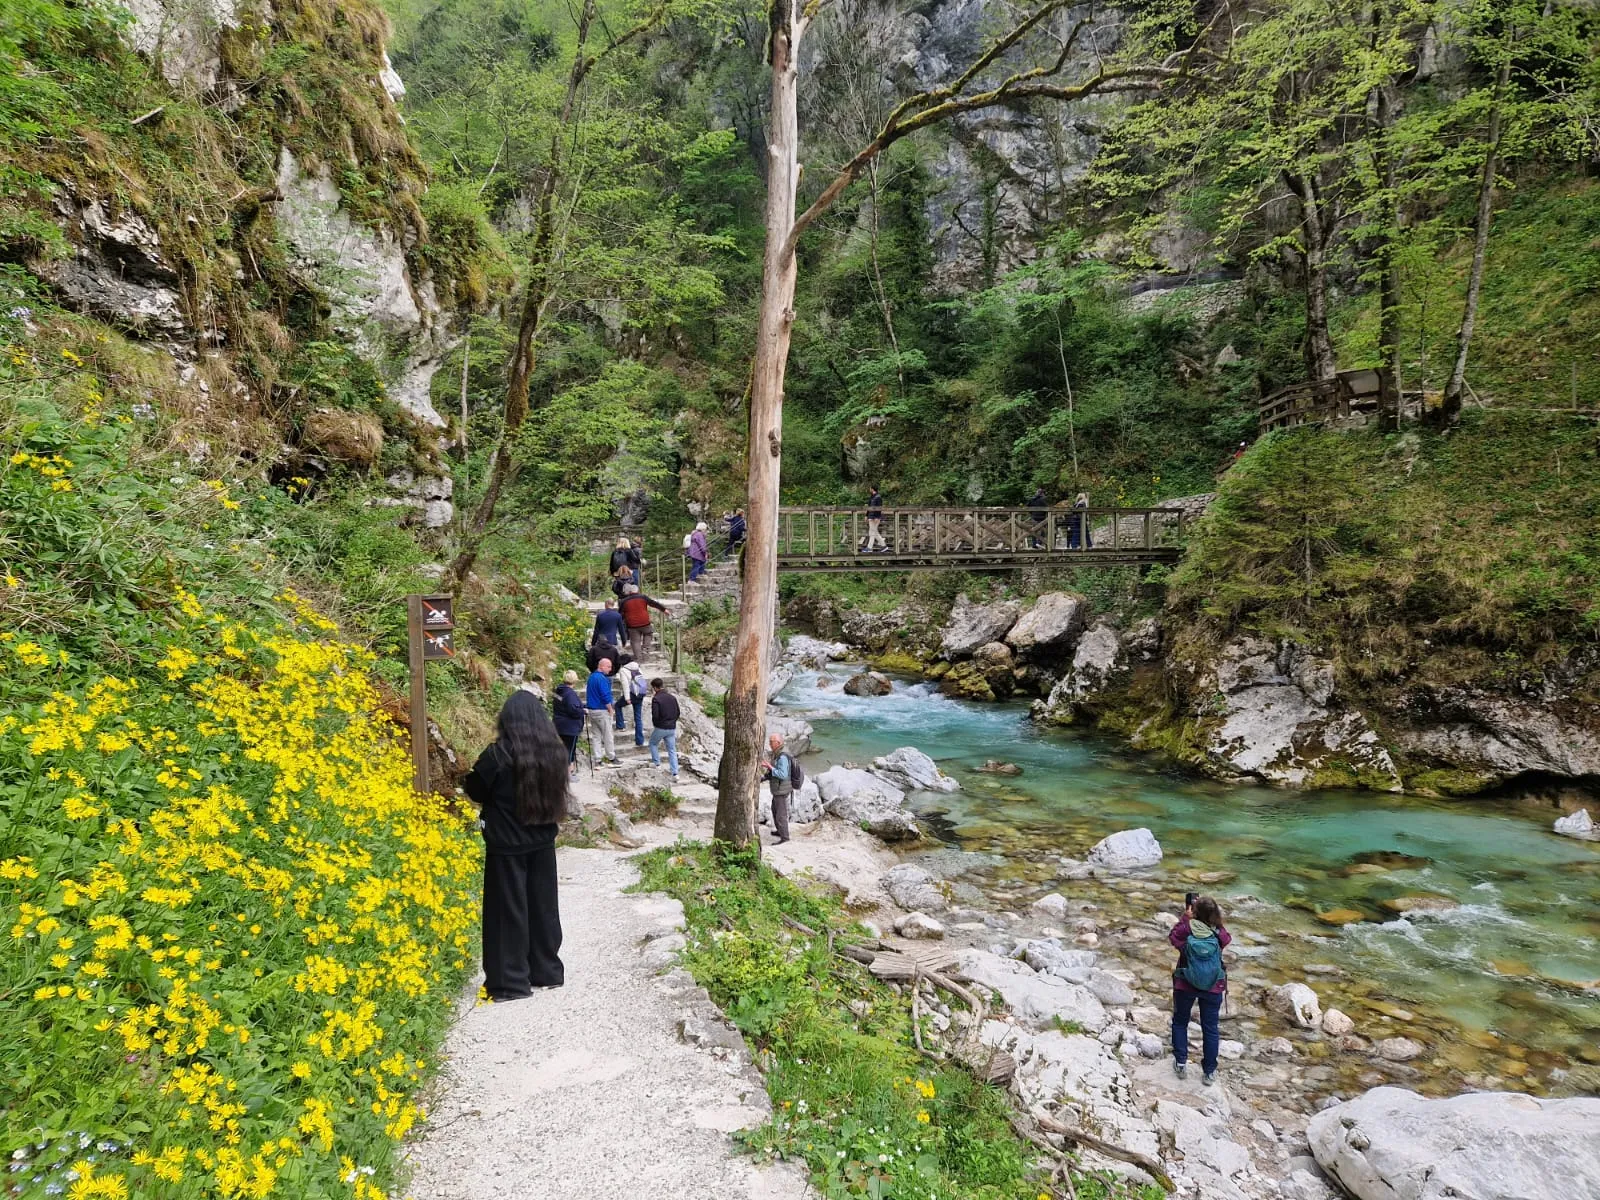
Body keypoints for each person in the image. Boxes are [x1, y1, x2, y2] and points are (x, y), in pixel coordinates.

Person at [462, 691, 568, 1000]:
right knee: (543, 906)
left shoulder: (498, 755)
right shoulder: (553, 753)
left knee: (508, 911)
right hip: (543, 841)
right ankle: (546, 971)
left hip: (507, 843)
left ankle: (511, 981)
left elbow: (476, 788)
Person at [1170, 894, 1231, 1085]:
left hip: (1186, 982)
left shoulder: (1188, 928)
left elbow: (1173, 937)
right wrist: (1217, 924)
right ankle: (1209, 1072)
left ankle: (1181, 1063)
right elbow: (1227, 939)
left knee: (1180, 1022)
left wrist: (1185, 918)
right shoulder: (1218, 933)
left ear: (1193, 910)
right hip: (1213, 986)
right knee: (1210, 1028)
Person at [619, 583, 670, 662]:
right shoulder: (643, 597)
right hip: (645, 622)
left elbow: (620, 614)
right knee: (648, 634)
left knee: (635, 641)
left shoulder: (624, 601)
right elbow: (653, 603)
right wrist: (664, 610)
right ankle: (645, 649)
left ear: (629, 592)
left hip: (632, 625)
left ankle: (638, 658)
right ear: (638, 590)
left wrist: (620, 623)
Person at [760, 732, 794, 845]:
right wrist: (765, 776)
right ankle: (780, 831)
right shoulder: (777, 753)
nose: (769, 744)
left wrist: (770, 767)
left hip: (782, 790)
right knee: (775, 810)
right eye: (769, 741)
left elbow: (783, 774)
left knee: (781, 814)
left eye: (771, 742)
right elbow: (775, 770)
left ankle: (785, 838)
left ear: (778, 743)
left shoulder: (783, 756)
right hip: (778, 789)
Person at [551, 670, 586, 776]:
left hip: (559, 724)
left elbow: (563, 705)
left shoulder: (558, 692)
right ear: (574, 680)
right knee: (570, 750)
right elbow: (573, 710)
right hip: (570, 727)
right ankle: (568, 774)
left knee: (563, 749)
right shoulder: (570, 693)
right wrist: (583, 711)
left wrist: (580, 706)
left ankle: (561, 772)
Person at [585, 658, 618, 764]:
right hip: (602, 710)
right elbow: (605, 695)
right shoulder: (602, 678)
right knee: (608, 734)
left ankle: (597, 758)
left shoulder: (592, 677)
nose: (610, 669)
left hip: (592, 710)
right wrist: (610, 708)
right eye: (608, 667)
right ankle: (611, 757)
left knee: (596, 735)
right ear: (601, 666)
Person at [647, 677, 680, 779]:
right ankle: (675, 773)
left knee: (652, 743)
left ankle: (657, 764)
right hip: (671, 727)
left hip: (661, 727)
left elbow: (655, 715)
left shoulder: (656, 699)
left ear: (655, 688)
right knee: (672, 750)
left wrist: (656, 724)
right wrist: (672, 722)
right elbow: (678, 712)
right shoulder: (672, 697)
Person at [614, 657, 647, 747]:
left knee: (617, 706)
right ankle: (640, 741)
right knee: (638, 718)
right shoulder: (637, 667)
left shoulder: (624, 670)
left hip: (631, 694)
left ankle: (621, 726)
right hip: (640, 694)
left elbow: (625, 685)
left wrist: (627, 698)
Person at [864, 485, 886, 552]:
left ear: (872, 489)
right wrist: (866, 515)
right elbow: (869, 507)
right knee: (875, 532)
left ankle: (869, 548)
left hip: (875, 517)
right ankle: (884, 546)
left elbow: (879, 508)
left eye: (870, 488)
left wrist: (877, 517)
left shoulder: (878, 497)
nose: (869, 489)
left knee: (872, 532)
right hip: (871, 516)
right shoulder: (871, 497)